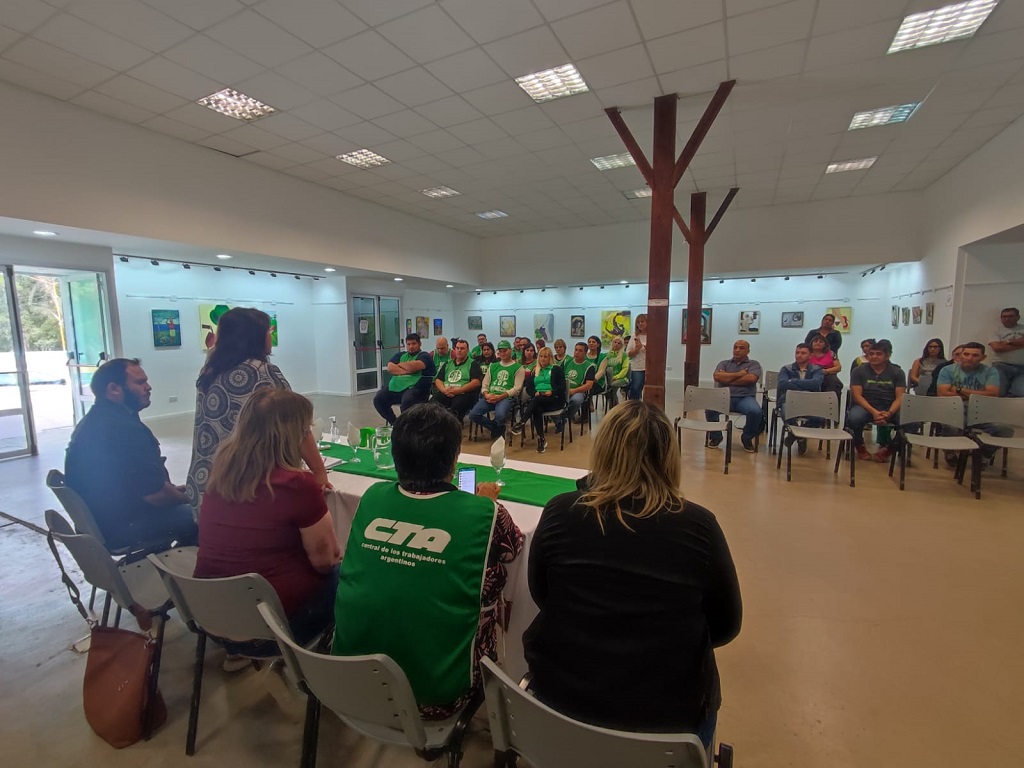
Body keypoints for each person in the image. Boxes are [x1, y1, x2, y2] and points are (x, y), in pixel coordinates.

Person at [523, 400, 741, 747]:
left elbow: (541, 593)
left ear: (603, 451)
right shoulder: (699, 527)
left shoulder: (560, 512)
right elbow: (726, 625)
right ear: (668, 457)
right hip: (667, 725)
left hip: (560, 708)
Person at [332, 403, 523, 719]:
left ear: (395, 455)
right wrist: (486, 505)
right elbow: (512, 550)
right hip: (440, 697)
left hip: (352, 681)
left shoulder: (372, 497)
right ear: (454, 458)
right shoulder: (485, 513)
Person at [194, 389, 340, 653]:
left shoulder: (222, 473)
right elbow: (326, 561)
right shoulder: (296, 484)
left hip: (211, 617)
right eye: (305, 429)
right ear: (293, 435)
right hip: (272, 628)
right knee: (353, 576)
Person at [186, 307, 329, 519]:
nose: (270, 336)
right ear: (255, 337)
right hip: (246, 489)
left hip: (206, 486)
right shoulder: (262, 373)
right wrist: (319, 473)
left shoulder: (209, 371)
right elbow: (297, 427)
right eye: (268, 331)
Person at [65, 358, 198, 552]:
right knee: (209, 514)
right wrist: (193, 499)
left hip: (106, 521)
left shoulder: (96, 421)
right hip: (124, 526)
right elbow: (156, 496)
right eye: (140, 382)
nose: (148, 387)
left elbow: (138, 482)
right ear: (114, 389)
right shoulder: (122, 429)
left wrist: (171, 491)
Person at [936, 341, 1012, 466]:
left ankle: (984, 454)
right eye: (966, 354)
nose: (969, 358)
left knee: (1005, 430)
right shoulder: (947, 370)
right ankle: (950, 451)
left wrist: (959, 390)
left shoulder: (990, 372)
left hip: (982, 411)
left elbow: (992, 394)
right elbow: (943, 393)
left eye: (975, 355)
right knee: (950, 426)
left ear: (983, 357)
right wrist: (978, 395)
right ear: (960, 355)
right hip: (955, 408)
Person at [847, 340, 906, 463]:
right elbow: (857, 395)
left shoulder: (898, 372)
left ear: (887, 356)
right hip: (866, 406)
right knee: (853, 418)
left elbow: (900, 397)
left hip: (890, 406)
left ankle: (890, 448)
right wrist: (874, 412)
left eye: (878, 354)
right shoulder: (858, 371)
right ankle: (860, 446)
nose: (874, 356)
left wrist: (889, 413)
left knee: (911, 422)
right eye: (871, 354)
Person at [706, 340, 763, 453]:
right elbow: (717, 377)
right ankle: (716, 437)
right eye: (735, 347)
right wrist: (740, 374)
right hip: (724, 397)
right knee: (710, 409)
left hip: (745, 398)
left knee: (756, 412)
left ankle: (747, 438)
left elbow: (751, 379)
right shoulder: (724, 363)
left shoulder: (754, 364)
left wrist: (727, 378)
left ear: (748, 351)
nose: (737, 350)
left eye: (741, 348)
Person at [373, 332, 436, 425]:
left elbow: (415, 366)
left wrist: (399, 365)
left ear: (420, 344)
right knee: (378, 399)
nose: (411, 347)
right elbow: (390, 368)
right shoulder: (400, 355)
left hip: (417, 390)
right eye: (408, 344)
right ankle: (395, 423)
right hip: (397, 388)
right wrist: (407, 370)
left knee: (407, 400)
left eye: (414, 344)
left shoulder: (425, 356)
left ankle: (406, 425)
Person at [512, 346, 566, 453]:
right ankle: (541, 439)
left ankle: (522, 422)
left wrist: (552, 392)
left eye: (545, 357)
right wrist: (534, 393)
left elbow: (562, 386)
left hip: (554, 399)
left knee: (535, 402)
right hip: (539, 399)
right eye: (541, 356)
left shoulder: (556, 369)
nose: (542, 359)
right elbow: (529, 387)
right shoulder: (535, 370)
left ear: (550, 358)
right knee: (537, 408)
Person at [468, 340, 524, 440]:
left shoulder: (518, 368)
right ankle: (497, 428)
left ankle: (497, 428)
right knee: (473, 415)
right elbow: (485, 384)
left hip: (506, 397)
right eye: (500, 351)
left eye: (505, 351)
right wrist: (486, 394)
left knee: (500, 416)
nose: (502, 353)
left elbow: (517, 388)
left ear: (510, 350)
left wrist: (501, 396)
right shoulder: (493, 366)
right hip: (490, 396)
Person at [777, 343, 825, 455]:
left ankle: (796, 435)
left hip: (810, 402)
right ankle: (800, 437)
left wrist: (793, 381)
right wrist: (806, 386)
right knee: (787, 413)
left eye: (803, 353)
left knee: (820, 418)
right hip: (789, 401)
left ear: (810, 355)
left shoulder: (817, 369)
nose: (799, 355)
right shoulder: (786, 369)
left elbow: (816, 384)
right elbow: (783, 384)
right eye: (797, 352)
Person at [430, 338, 483, 420]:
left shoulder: (473, 364)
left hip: (463, 393)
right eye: (457, 348)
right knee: (431, 407)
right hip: (446, 391)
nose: (459, 350)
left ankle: (453, 425)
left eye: (462, 348)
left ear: (467, 350)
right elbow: (438, 380)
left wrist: (459, 390)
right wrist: (444, 390)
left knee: (454, 410)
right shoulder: (448, 363)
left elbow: (476, 382)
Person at [988, 307, 1024, 397]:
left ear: (1018, 317)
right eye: (1004, 316)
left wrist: (1007, 342)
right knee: (999, 393)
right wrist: (1020, 344)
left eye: (1010, 316)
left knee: (1020, 394)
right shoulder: (997, 330)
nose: (1007, 319)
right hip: (1001, 366)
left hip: (1022, 367)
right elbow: (997, 348)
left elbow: (1001, 346)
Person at [562, 342, 596, 426]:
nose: (577, 352)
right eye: (576, 350)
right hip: (564, 389)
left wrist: (574, 391)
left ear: (585, 353)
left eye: (580, 351)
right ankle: (558, 418)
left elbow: (589, 385)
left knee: (576, 400)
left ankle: (566, 417)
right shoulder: (566, 362)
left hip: (579, 392)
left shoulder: (589, 367)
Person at [626, 313, 648, 400]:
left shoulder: (653, 336)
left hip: (651, 367)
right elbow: (628, 353)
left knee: (650, 390)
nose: (640, 324)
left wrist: (644, 347)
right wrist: (636, 349)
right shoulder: (635, 336)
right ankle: (634, 406)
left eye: (642, 321)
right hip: (638, 367)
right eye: (638, 322)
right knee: (636, 389)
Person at [604, 336, 630, 406]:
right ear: (612, 343)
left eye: (619, 343)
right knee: (607, 387)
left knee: (612, 386)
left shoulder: (624, 355)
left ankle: (613, 406)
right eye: (615, 342)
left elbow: (625, 369)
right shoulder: (607, 355)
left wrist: (616, 377)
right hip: (609, 378)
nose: (616, 344)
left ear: (621, 346)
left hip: (622, 378)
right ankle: (614, 404)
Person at [586, 335, 609, 403]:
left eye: (593, 342)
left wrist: (591, 381)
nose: (591, 343)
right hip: (584, 382)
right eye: (589, 342)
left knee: (587, 387)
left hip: (598, 383)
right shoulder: (584, 356)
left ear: (598, 344)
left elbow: (601, 372)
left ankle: (589, 404)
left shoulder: (603, 357)